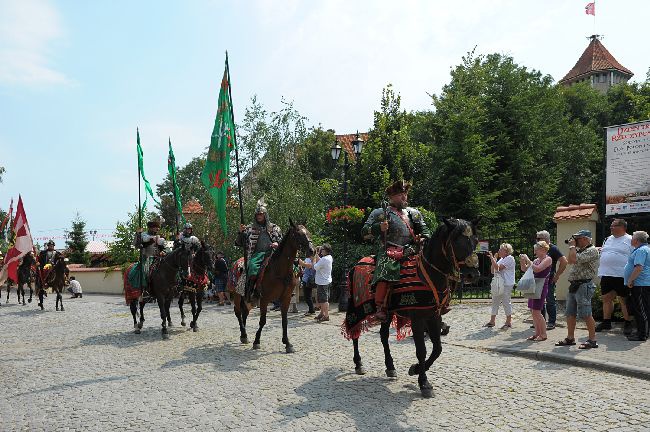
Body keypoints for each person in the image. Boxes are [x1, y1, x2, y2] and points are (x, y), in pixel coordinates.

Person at [361, 180, 430, 322]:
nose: (404, 197)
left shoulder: (414, 213)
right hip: (390, 250)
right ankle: (381, 307)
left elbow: (425, 231)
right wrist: (378, 228)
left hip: (412, 249)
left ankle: (434, 303)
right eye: (400, 195)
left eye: (405, 194)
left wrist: (422, 238)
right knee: (386, 268)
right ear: (391, 197)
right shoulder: (380, 213)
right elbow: (363, 232)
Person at [555, 229, 600, 349]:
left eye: (578, 239)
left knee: (586, 314)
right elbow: (570, 261)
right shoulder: (580, 250)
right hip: (574, 285)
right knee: (570, 313)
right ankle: (570, 338)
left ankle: (592, 340)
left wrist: (572, 247)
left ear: (585, 238)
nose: (575, 241)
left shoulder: (592, 250)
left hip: (584, 285)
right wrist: (573, 247)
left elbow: (574, 259)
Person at [236, 198, 282, 301]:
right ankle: (251, 291)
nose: (259, 216)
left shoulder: (274, 228)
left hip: (272, 253)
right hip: (256, 254)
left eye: (261, 214)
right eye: (257, 215)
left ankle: (285, 290)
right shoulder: (249, 228)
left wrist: (277, 243)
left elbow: (280, 241)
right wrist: (240, 233)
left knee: (287, 266)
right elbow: (239, 243)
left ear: (265, 215)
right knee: (252, 267)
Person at [596, 218, 634, 335]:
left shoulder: (631, 239)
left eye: (614, 226)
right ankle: (606, 321)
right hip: (607, 273)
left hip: (622, 275)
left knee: (624, 299)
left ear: (622, 227)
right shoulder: (607, 239)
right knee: (606, 298)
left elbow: (635, 257)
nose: (611, 227)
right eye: (611, 226)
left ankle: (628, 323)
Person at [535, 230, 568, 330]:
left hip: (549, 279)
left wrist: (557, 275)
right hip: (539, 279)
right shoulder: (539, 248)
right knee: (539, 300)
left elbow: (564, 261)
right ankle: (541, 321)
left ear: (545, 239)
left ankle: (551, 322)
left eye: (538, 238)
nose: (536, 241)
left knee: (549, 300)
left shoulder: (553, 248)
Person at [520, 241, 552, 341]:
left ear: (543, 249)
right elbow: (524, 269)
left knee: (537, 311)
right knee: (533, 311)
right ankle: (537, 333)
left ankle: (543, 334)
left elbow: (537, 269)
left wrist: (528, 260)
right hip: (534, 285)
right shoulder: (536, 260)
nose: (535, 252)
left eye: (536, 250)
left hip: (541, 286)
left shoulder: (548, 259)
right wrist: (522, 260)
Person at [624, 231, 650, 341]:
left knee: (641, 310)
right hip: (642, 284)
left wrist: (630, 280)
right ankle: (642, 332)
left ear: (637, 240)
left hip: (640, 284)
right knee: (643, 308)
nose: (631, 239)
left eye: (633, 237)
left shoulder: (641, 250)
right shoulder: (644, 249)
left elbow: (638, 267)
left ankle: (642, 334)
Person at [484, 243, 516, 329]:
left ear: (506, 251)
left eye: (501, 249)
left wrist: (492, 258)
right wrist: (493, 259)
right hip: (499, 283)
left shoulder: (510, 258)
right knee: (495, 301)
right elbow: (492, 270)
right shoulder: (501, 259)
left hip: (506, 284)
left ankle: (508, 321)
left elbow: (498, 268)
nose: (499, 251)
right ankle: (492, 321)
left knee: (506, 302)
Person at [129, 219, 166, 291]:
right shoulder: (143, 235)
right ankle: (144, 288)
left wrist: (163, 251)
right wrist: (138, 234)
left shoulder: (159, 236)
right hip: (147, 258)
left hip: (158, 258)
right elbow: (136, 244)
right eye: (155, 227)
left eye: (158, 227)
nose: (157, 229)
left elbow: (163, 247)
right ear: (150, 227)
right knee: (144, 271)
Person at [308, 244, 333, 322]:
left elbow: (314, 267)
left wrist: (313, 258)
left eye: (322, 249)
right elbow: (320, 261)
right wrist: (316, 254)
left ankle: (326, 316)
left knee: (324, 300)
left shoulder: (324, 259)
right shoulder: (329, 257)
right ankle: (322, 313)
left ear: (325, 250)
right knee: (323, 299)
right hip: (326, 281)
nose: (321, 251)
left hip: (322, 282)